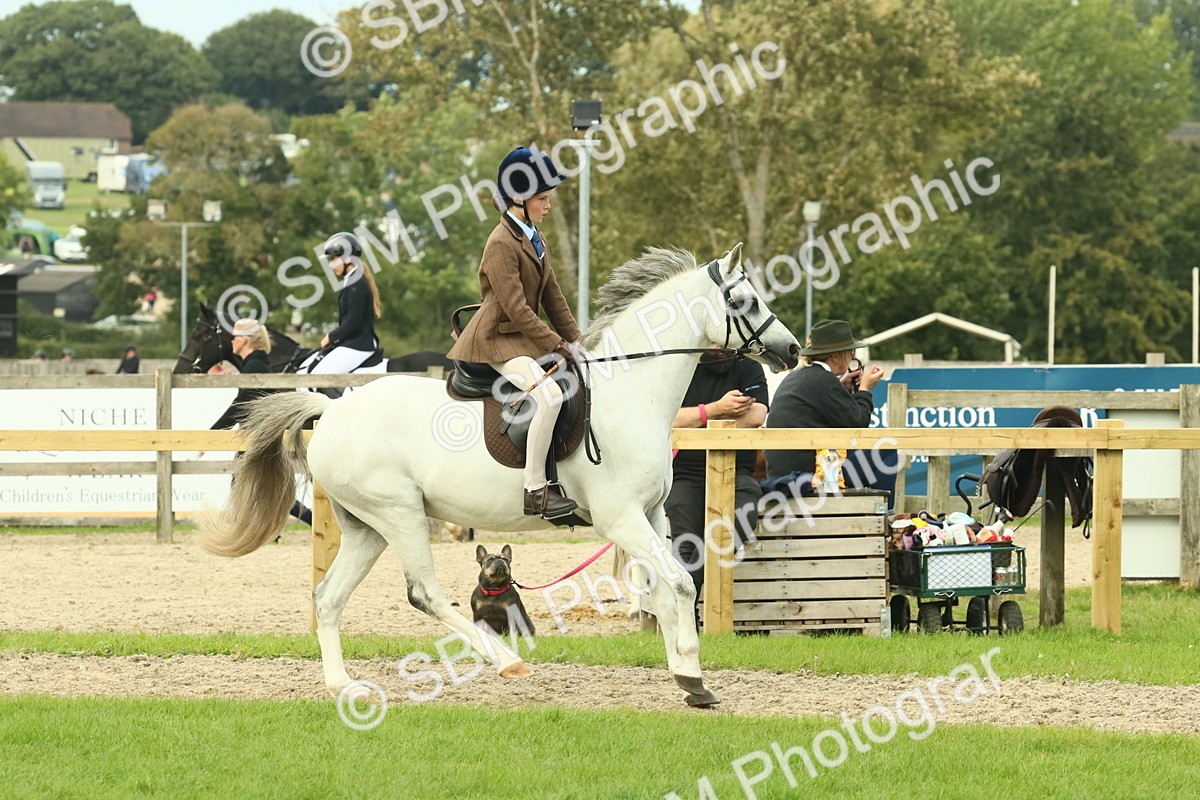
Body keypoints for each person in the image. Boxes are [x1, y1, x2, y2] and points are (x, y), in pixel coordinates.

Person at [447, 146, 582, 520]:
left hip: (520, 338)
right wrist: (556, 344)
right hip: (495, 340)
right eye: (543, 198)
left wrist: (578, 341)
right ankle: (535, 490)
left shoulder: (534, 234)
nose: (548, 205)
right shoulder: (500, 243)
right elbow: (519, 310)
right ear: (520, 197)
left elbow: (553, 297)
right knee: (551, 396)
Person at [666, 347, 769, 619]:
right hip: (684, 473)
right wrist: (717, 409)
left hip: (737, 472)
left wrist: (697, 417)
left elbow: (756, 416)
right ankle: (687, 619)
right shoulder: (681, 366)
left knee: (743, 516)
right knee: (686, 546)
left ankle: (703, 595)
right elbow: (668, 418)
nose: (716, 346)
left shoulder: (748, 366)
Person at [205, 318, 311, 524]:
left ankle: (238, 528)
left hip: (258, 435)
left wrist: (214, 432)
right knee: (274, 491)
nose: (231, 342)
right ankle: (306, 521)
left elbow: (242, 403)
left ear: (245, 340)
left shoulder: (255, 364)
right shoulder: (256, 363)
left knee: (253, 487)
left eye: (235, 338)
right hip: (260, 433)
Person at [763, 319, 887, 495]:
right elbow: (859, 423)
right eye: (850, 352)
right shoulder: (823, 380)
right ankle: (881, 511)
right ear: (836, 356)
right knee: (886, 450)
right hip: (808, 474)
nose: (852, 357)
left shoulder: (801, 376)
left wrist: (842, 387)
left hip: (784, 474)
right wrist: (865, 390)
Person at [297, 232, 381, 375]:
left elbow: (353, 322)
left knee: (314, 377)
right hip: (350, 343)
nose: (330, 265)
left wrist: (331, 336)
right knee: (304, 372)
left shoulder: (357, 284)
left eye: (333, 259)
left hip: (359, 344)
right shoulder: (351, 280)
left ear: (347, 258)